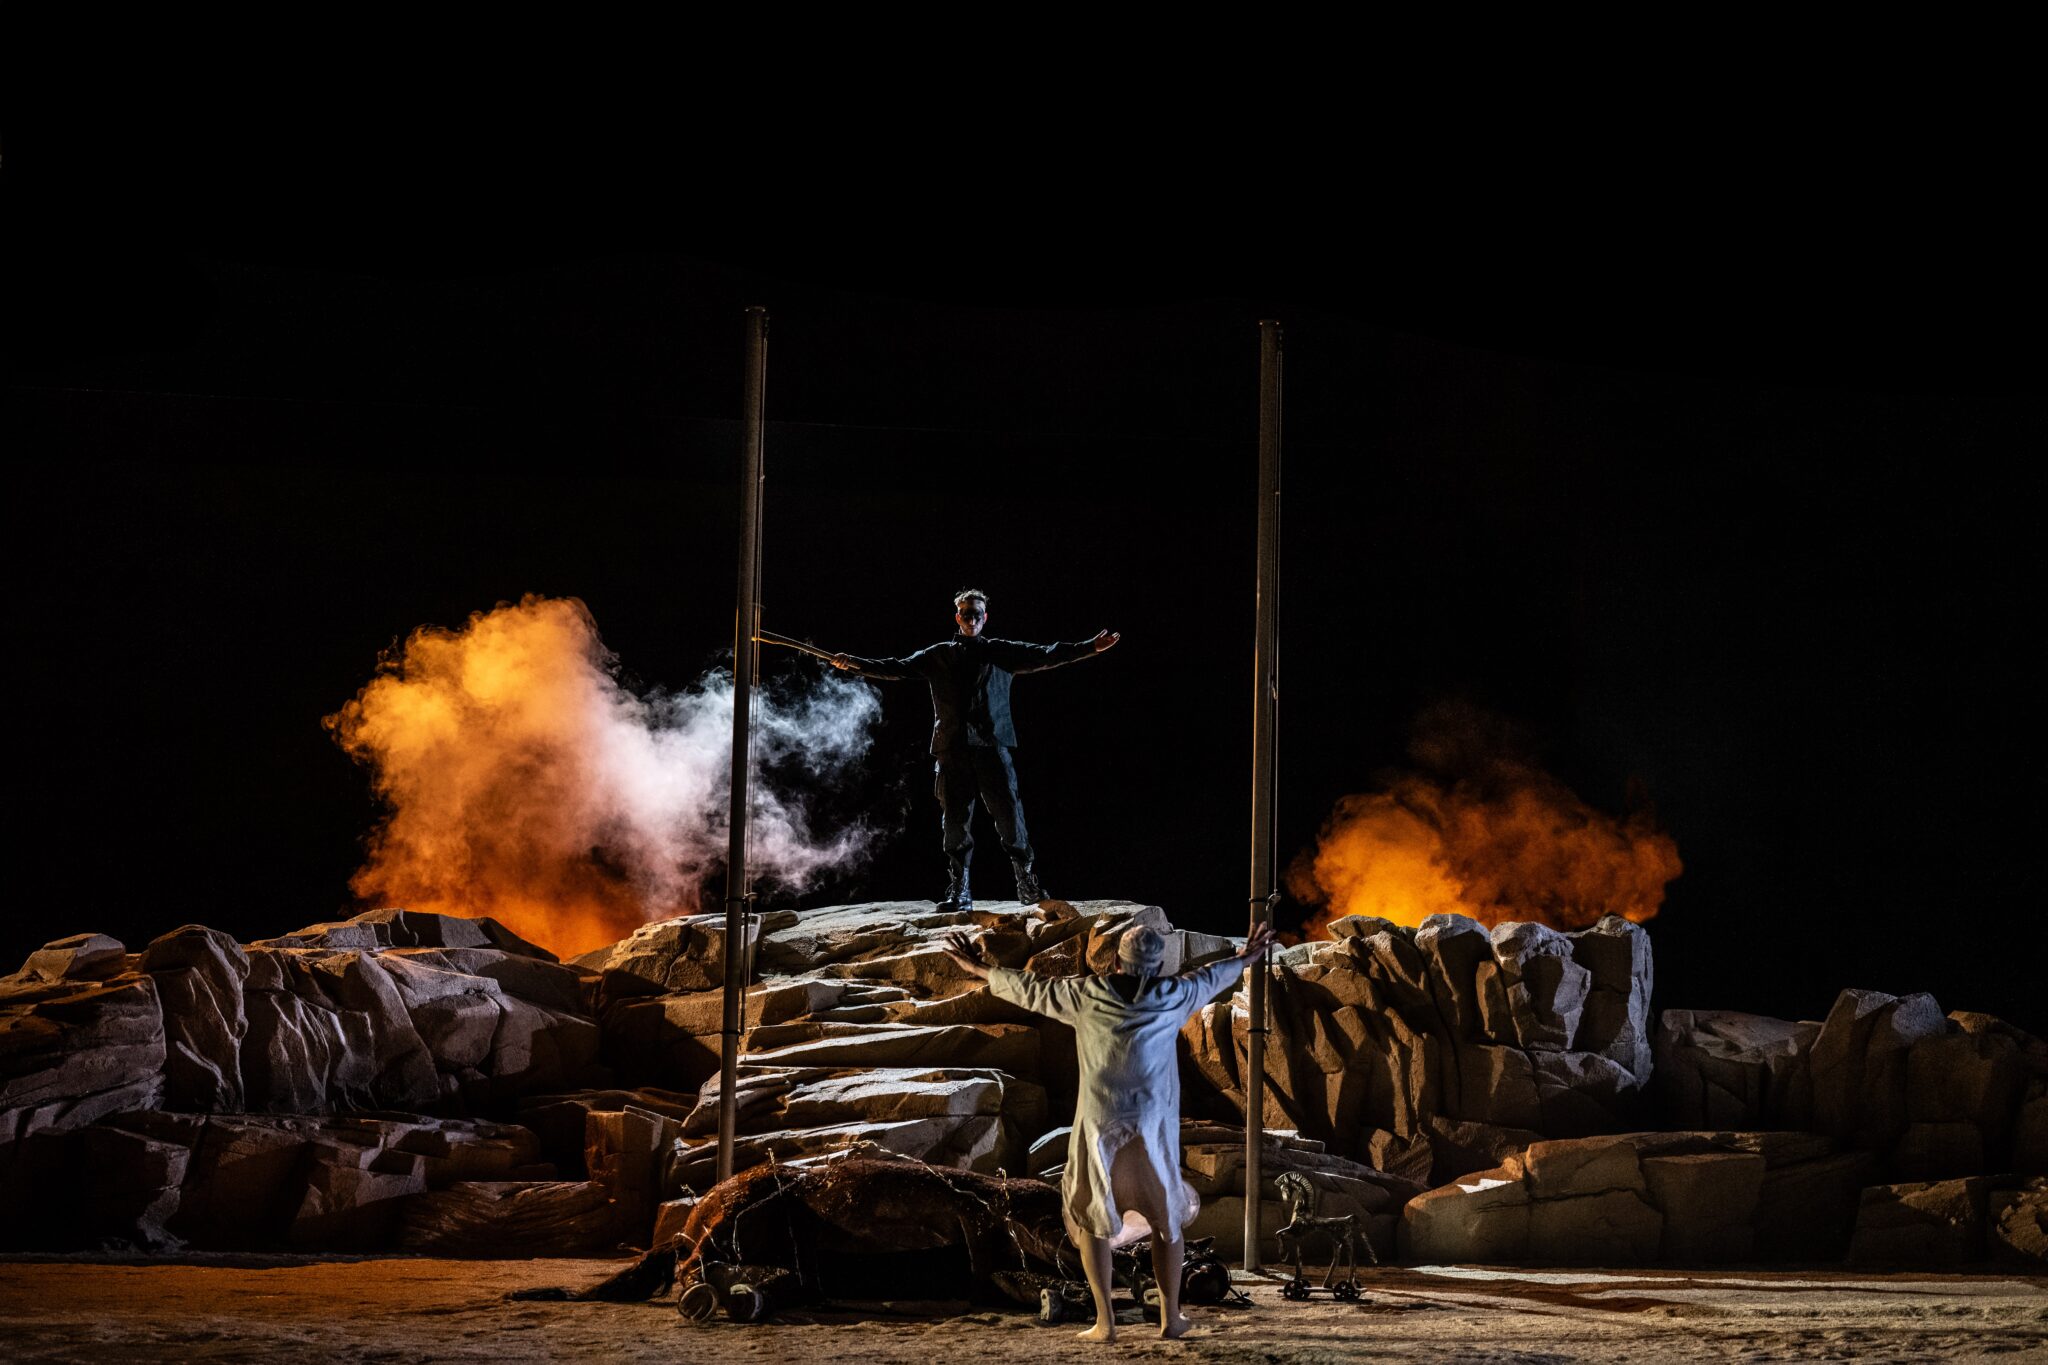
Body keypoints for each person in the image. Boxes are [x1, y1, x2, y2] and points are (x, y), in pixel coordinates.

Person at [939, 919, 1277, 1343]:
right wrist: (1247, 955)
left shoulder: (1086, 995)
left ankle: (1105, 1323)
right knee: (1165, 1220)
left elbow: (1033, 989)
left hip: (1100, 1121)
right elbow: (1214, 976)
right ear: (1157, 967)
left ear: (1116, 962)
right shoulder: (1175, 995)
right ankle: (1170, 1319)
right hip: (1151, 1123)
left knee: (1093, 1217)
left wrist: (979, 969)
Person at [832, 589, 1118, 911]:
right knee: (954, 823)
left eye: (977, 614)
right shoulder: (938, 655)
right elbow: (894, 667)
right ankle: (959, 890)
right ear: (957, 617)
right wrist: (854, 664)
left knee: (1011, 818)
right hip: (952, 750)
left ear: (985, 618)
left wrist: (1089, 648)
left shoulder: (999, 652)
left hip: (992, 748)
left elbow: (1046, 654)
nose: (971, 619)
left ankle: (1027, 883)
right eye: (965, 614)